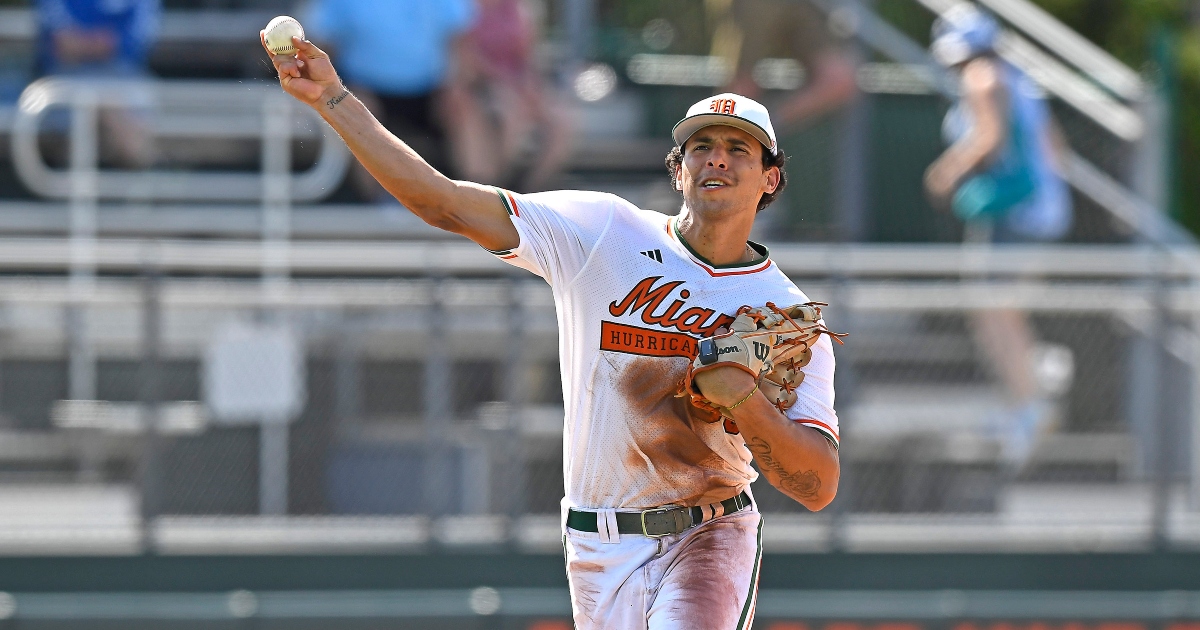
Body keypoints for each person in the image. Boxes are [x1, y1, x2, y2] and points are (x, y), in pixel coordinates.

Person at [262, 30, 840, 629]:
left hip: (710, 531)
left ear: (770, 178)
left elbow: (817, 486)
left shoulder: (781, 310)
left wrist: (747, 402)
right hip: (595, 541)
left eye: (740, 149)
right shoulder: (604, 234)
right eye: (702, 146)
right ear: (678, 169)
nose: (717, 157)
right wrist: (335, 101)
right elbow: (447, 204)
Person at [923, 5, 1074, 465]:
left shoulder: (983, 77)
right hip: (1042, 213)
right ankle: (1030, 390)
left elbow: (987, 138)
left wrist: (945, 174)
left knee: (992, 309)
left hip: (1016, 215)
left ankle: (1031, 400)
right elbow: (1057, 152)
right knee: (1001, 308)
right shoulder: (1018, 79)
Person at [303, 0, 475, 200]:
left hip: (432, 91)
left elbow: (458, 41)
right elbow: (324, 43)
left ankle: (478, 205)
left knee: (464, 106)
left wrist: (456, 84)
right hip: (363, 88)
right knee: (357, 110)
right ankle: (377, 205)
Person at [442, 0, 573, 192]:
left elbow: (528, 55)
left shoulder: (519, 8)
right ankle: (496, 187)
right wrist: (501, 81)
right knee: (508, 114)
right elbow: (465, 56)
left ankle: (531, 189)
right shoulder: (463, 8)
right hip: (482, 85)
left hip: (516, 86)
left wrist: (531, 87)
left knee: (561, 122)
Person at [35, 0, 161, 168]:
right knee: (81, 115)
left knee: (129, 122)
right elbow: (63, 44)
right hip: (64, 78)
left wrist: (85, 44)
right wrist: (101, 43)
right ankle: (148, 177)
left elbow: (133, 43)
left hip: (124, 77)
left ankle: (141, 176)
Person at [719, 0, 858, 128]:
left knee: (840, 79)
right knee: (742, 86)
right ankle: (725, 136)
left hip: (803, 4)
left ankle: (762, 129)